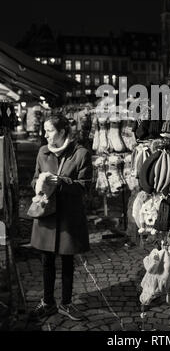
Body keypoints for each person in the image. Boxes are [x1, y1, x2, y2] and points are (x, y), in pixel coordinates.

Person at [30, 114, 92, 321]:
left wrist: (61, 182)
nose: (45, 135)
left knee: (67, 262)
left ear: (63, 132)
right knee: (46, 261)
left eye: (49, 130)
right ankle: (48, 302)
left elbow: (85, 186)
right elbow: (34, 178)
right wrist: (40, 185)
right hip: (47, 215)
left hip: (68, 218)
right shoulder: (42, 152)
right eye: (45, 130)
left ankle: (66, 303)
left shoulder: (81, 154)